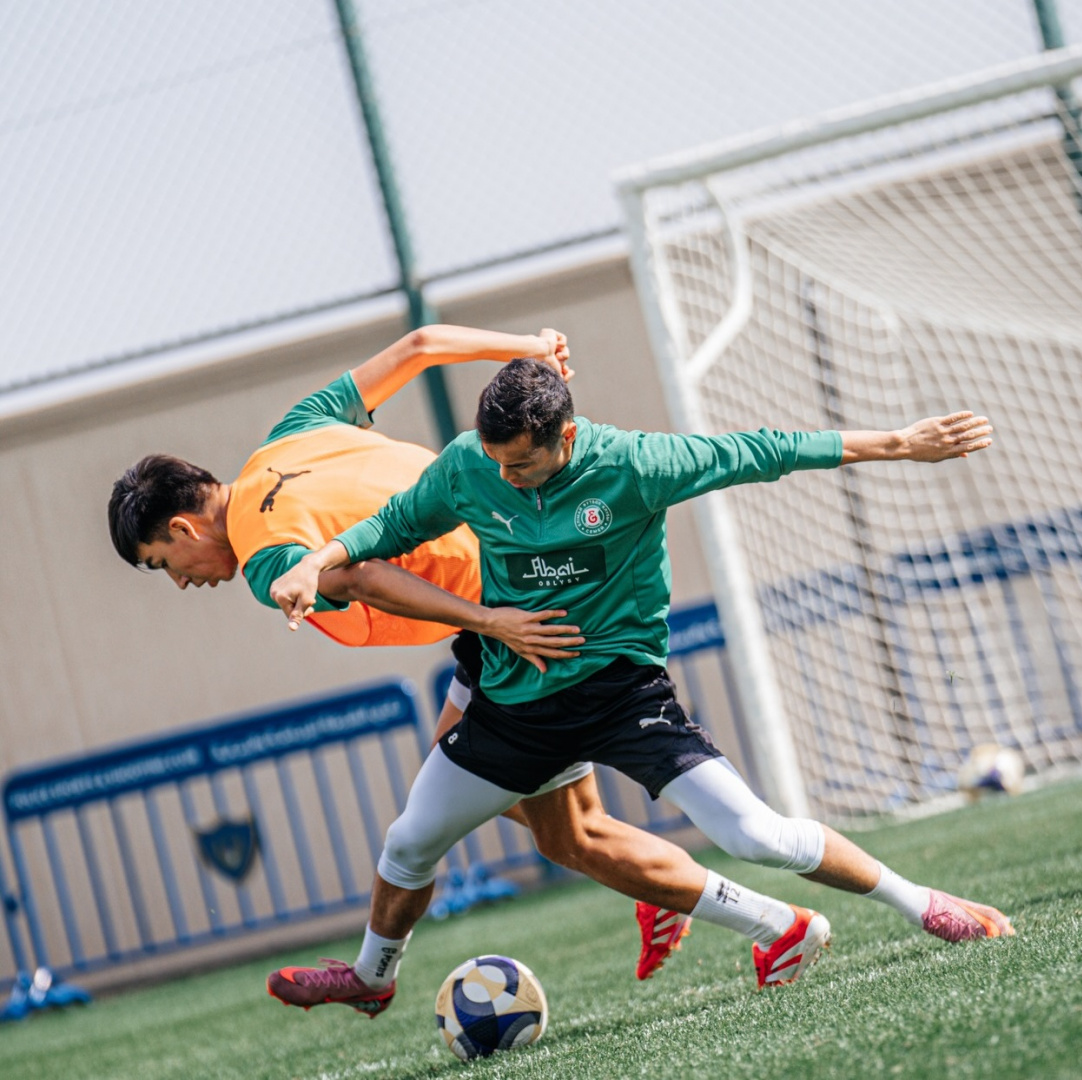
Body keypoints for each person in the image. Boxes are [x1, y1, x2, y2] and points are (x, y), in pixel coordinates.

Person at [107, 324, 839, 1015]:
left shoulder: (267, 558)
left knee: (565, 835)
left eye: (164, 563)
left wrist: (490, 623)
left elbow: (360, 576)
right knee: (520, 809)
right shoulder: (291, 433)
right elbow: (422, 345)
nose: (182, 580)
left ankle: (771, 922)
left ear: (183, 527)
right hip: (515, 584)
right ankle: (661, 893)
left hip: (515, 614)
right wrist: (528, 347)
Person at [267, 356, 1016, 1009]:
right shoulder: (469, 464)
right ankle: (372, 978)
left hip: (622, 698)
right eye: (495, 461)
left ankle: (921, 903)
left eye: (519, 464)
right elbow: (391, 526)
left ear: (565, 437)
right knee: (409, 842)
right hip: (513, 708)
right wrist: (314, 562)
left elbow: (763, 450)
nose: (504, 477)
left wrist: (899, 443)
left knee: (755, 835)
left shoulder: (634, 464)